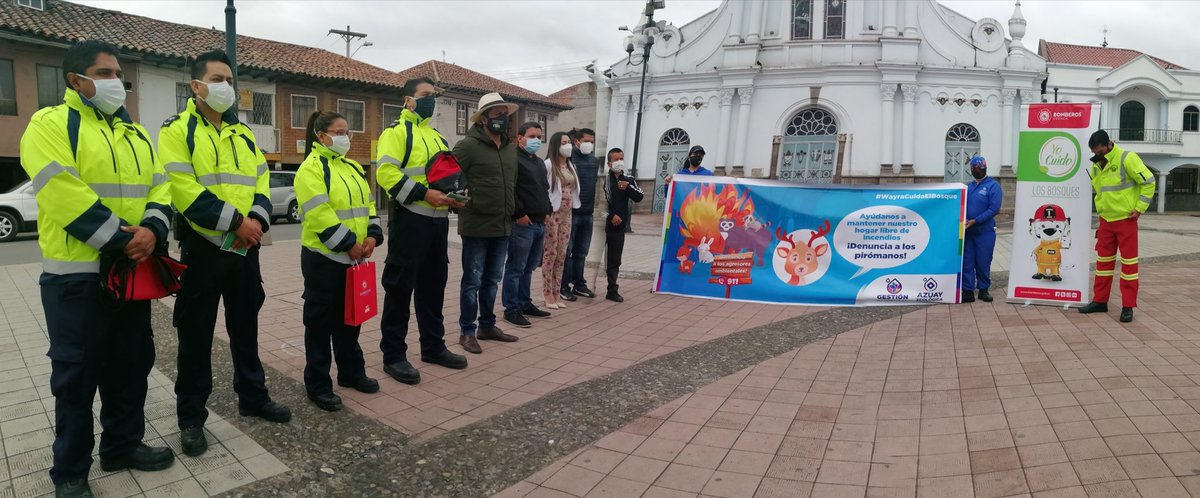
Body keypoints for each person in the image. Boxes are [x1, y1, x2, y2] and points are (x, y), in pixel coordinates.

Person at [20, 40, 175, 498]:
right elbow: (60, 191)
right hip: (77, 279)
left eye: (119, 76)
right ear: (76, 80)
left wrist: (153, 229)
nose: (116, 84)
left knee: (131, 364)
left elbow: (161, 189)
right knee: (76, 376)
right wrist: (129, 241)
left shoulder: (137, 134)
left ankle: (122, 445)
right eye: (105, 74)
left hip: (130, 274)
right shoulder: (50, 124)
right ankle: (69, 473)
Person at [161, 50, 290, 458]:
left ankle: (252, 396)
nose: (226, 88)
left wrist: (256, 221)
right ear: (196, 86)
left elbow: (261, 182)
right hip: (204, 247)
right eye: (217, 79)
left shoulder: (243, 134)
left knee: (246, 325)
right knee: (195, 334)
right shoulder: (176, 131)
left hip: (244, 248)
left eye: (230, 80)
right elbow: (182, 189)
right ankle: (191, 416)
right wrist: (237, 222)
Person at [376, 77, 467, 385]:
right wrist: (423, 194)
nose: (431, 100)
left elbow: (448, 177)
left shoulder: (439, 138)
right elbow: (385, 173)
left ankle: (433, 346)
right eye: (425, 95)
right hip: (410, 221)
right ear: (408, 100)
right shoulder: (396, 133)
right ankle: (393, 355)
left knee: (433, 287)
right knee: (400, 288)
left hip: (439, 223)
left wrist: (456, 198)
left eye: (434, 96)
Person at [294, 111, 383, 411]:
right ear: (321, 135)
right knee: (319, 324)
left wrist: (372, 236)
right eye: (339, 132)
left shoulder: (353, 168)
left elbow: (369, 205)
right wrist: (349, 244)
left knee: (351, 320)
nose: (345, 138)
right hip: (324, 259)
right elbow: (319, 213)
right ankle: (318, 384)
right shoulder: (310, 169)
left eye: (348, 132)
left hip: (354, 259)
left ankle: (351, 372)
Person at [454, 92, 521, 353]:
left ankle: (487, 325)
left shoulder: (509, 148)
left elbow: (512, 184)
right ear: (483, 119)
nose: (503, 120)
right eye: (497, 115)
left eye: (506, 115)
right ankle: (467, 331)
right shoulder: (467, 146)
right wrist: (464, 200)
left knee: (493, 279)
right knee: (473, 280)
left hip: (502, 225)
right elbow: (449, 177)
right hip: (476, 226)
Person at [1079, 130, 1156, 323]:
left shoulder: (1127, 158)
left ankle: (1128, 306)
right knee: (1103, 264)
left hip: (1126, 220)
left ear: (1108, 144)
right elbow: (1101, 192)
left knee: (1129, 265)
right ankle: (1100, 301)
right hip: (1106, 221)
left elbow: (1149, 182)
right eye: (1095, 152)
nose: (1097, 155)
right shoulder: (1097, 164)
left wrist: (1139, 209)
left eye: (1099, 151)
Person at [501, 122, 554, 327]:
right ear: (519, 138)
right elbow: (511, 189)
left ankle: (525, 303)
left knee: (529, 267)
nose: (536, 140)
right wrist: (519, 213)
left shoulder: (539, 162)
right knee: (515, 267)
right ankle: (511, 309)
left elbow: (544, 188)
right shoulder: (513, 158)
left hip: (540, 222)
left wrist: (548, 211)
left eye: (539, 136)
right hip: (523, 222)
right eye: (532, 136)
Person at [542, 131, 581, 310]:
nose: (568, 145)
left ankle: (557, 292)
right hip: (552, 214)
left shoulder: (571, 165)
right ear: (556, 145)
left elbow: (573, 190)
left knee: (562, 253)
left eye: (569, 142)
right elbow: (543, 189)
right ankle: (547, 294)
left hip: (568, 214)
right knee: (551, 253)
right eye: (564, 142)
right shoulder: (549, 165)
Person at [559, 128, 599, 302]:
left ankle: (579, 284)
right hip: (570, 214)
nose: (589, 144)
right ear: (577, 142)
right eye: (586, 140)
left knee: (581, 252)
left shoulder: (594, 160)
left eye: (592, 141)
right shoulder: (569, 159)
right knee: (566, 252)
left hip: (587, 213)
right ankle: (563, 285)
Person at [602, 148, 644, 302]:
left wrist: (628, 186)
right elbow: (599, 204)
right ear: (609, 163)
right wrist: (611, 216)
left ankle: (612, 289)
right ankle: (578, 284)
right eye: (616, 159)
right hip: (602, 225)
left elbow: (639, 196)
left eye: (621, 158)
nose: (619, 162)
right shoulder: (604, 180)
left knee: (614, 259)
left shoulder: (628, 180)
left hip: (618, 228)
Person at [961, 155, 1002, 304]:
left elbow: (994, 209)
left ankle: (984, 290)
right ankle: (967, 291)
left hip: (985, 232)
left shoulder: (993, 186)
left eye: (981, 168)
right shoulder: (968, 187)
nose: (978, 170)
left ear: (985, 168)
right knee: (967, 261)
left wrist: (976, 220)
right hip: (968, 232)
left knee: (983, 261)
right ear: (971, 169)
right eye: (975, 168)